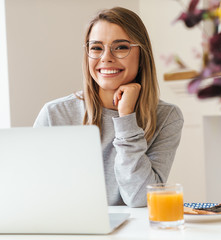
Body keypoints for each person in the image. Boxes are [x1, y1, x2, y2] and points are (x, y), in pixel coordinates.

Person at [33, 7, 184, 207]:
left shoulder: (166, 117)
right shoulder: (54, 114)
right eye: (96, 48)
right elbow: (33, 193)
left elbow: (140, 199)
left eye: (121, 47)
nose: (106, 57)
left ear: (142, 55)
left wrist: (126, 119)